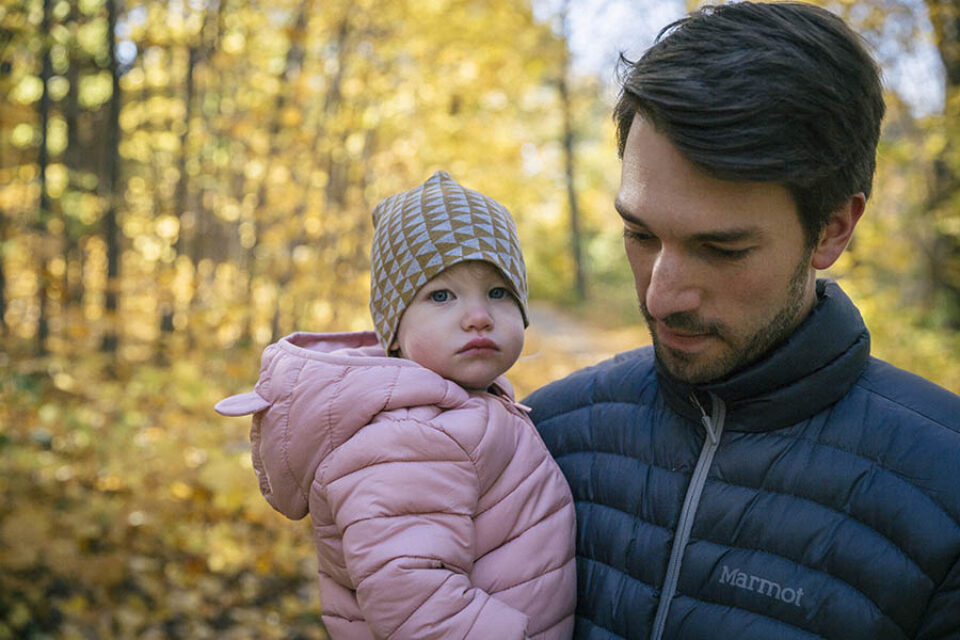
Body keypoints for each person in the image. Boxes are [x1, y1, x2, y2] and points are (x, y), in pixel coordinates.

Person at [523, 3, 960, 640]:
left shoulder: (946, 490)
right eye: (640, 235)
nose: (660, 297)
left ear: (833, 230)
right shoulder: (545, 438)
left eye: (721, 249)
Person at [216, 171, 576, 639]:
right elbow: (414, 602)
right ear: (394, 331)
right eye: (441, 295)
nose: (479, 316)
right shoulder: (410, 434)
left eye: (499, 292)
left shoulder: (459, 408)